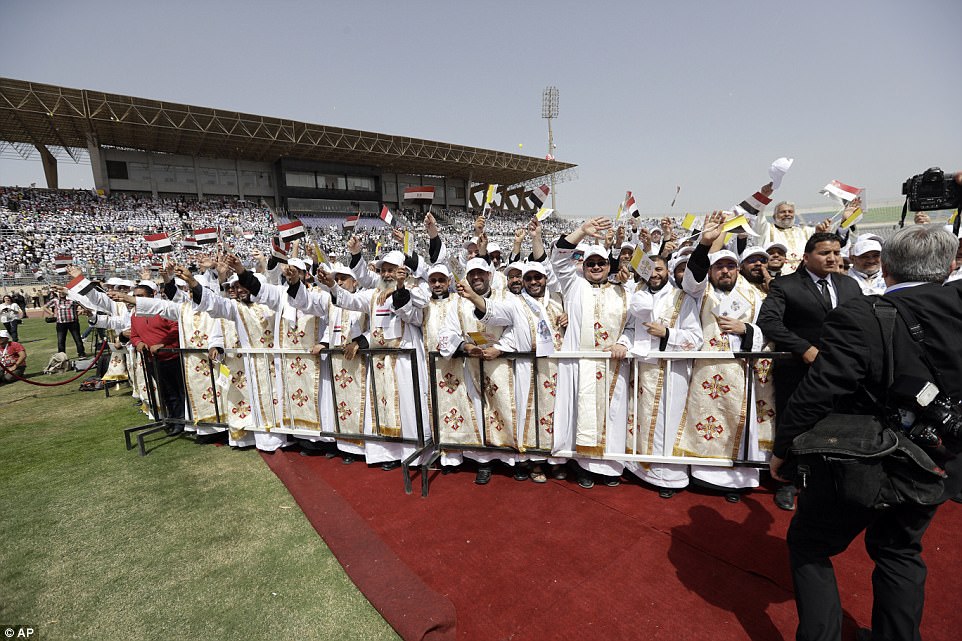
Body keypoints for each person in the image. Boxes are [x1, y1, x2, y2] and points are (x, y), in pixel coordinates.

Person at [770, 224, 962, 641]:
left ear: (886, 267)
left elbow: (820, 389)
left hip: (863, 461)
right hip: (938, 458)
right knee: (899, 550)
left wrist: (783, 449)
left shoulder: (861, 314)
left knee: (810, 544)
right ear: (950, 266)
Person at [757, 231, 863, 511]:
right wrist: (804, 348)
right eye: (825, 253)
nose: (832, 258)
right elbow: (768, 321)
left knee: (838, 424)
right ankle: (788, 481)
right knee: (795, 423)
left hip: (843, 370)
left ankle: (834, 480)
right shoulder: (786, 286)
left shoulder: (849, 285)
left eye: (836, 253)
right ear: (806, 257)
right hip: (798, 371)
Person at [44, 291, 87, 358]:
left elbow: (83, 306)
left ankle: (81, 353)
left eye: (63, 292)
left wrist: (80, 312)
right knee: (61, 340)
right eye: (60, 293)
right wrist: (51, 313)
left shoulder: (72, 300)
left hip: (73, 322)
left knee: (77, 339)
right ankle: (62, 356)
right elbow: (45, 307)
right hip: (61, 323)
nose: (61, 294)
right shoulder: (55, 300)